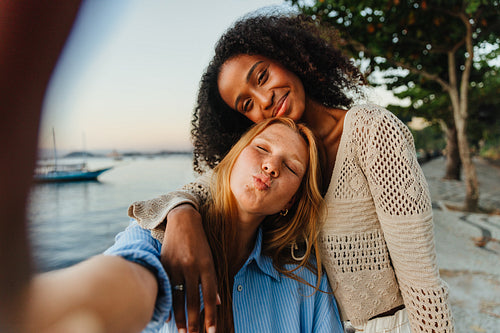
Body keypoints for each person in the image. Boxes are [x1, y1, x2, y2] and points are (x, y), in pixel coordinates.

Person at [132, 13, 455, 333]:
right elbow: (200, 189)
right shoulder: (271, 166)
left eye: (262, 77)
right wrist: (181, 216)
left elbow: (419, 267)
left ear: (289, 58)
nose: (265, 99)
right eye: (246, 105)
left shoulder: (370, 129)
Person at [23, 117, 342, 333]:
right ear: (232, 159)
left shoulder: (305, 280)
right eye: (261, 148)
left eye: (290, 167)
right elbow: (125, 277)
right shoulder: (159, 238)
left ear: (290, 202)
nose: (271, 165)